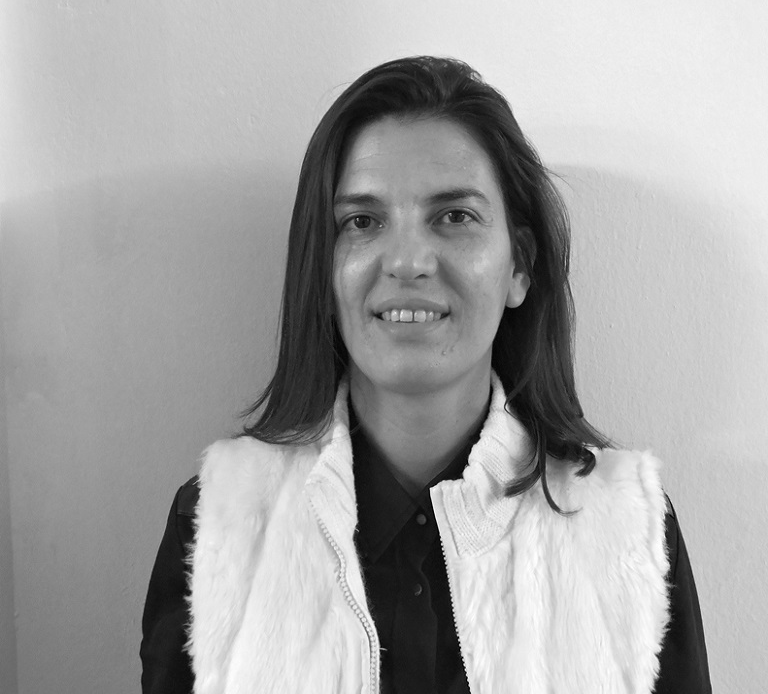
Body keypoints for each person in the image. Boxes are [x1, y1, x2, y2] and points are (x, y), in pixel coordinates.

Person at [140, 56, 711, 694]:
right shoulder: (214, 524)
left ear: (520, 266)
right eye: (362, 222)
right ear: (322, 268)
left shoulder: (629, 529)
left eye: (454, 216)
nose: (408, 261)